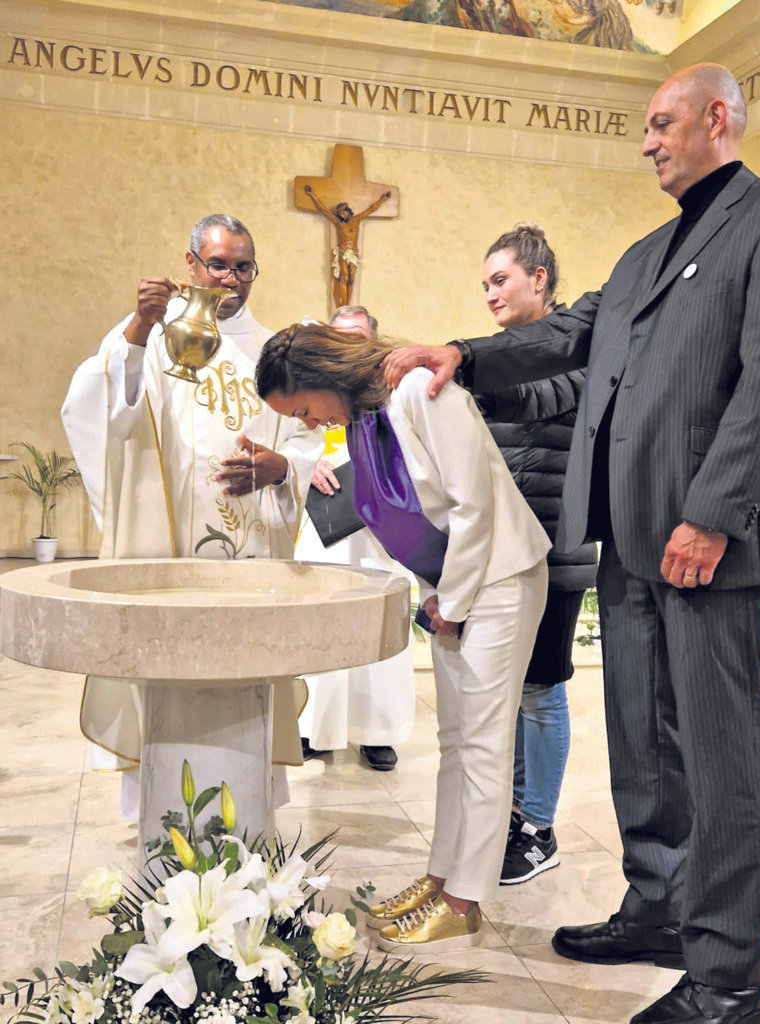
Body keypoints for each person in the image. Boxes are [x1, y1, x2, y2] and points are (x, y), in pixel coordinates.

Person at [383, 63, 760, 1024]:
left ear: (717, 119)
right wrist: (463, 355)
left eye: (660, 123)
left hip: (702, 542)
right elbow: (570, 335)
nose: (645, 141)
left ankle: (726, 981)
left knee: (722, 762)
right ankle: (657, 910)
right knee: (642, 743)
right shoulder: (645, 254)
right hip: (626, 538)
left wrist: (715, 509)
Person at [256, 322, 551, 952]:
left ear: (322, 377)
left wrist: (457, 597)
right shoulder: (364, 417)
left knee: (484, 743)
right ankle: (441, 877)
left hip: (498, 576)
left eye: (304, 409)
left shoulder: (420, 388)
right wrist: (442, 594)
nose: (309, 424)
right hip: (453, 583)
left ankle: (465, 900)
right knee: (456, 742)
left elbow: (476, 505)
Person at [62, 214, 323, 814]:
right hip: (166, 557)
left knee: (246, 679)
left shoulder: (274, 352)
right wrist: (138, 326)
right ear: (191, 265)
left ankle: (249, 809)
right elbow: (97, 408)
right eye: (218, 264)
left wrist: (279, 468)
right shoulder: (155, 336)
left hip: (251, 562)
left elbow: (310, 444)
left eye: (243, 266)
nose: (230, 278)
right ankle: (160, 814)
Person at [478, 225, 597, 883]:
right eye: (486, 285)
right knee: (515, 689)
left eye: (502, 280)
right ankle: (515, 816)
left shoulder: (578, 350)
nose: (491, 294)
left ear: (539, 280)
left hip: (555, 545)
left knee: (543, 687)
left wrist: (464, 373)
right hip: (504, 551)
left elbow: (539, 399)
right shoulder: (496, 354)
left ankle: (539, 829)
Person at [295, 305, 414, 772]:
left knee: (376, 626)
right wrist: (308, 464)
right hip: (323, 527)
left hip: (379, 531)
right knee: (318, 624)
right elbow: (288, 441)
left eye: (357, 338)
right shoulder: (309, 389)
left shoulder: (393, 392)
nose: (348, 347)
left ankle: (376, 732)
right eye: (339, 337)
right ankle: (312, 727)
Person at [303, 185, 392, 307]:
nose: (341, 216)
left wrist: (383, 199)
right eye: (339, 214)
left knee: (351, 279)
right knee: (344, 277)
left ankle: (347, 305)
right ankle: (343, 305)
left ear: (348, 211)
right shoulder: (339, 223)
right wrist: (312, 194)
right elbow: (323, 209)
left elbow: (372, 209)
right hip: (343, 252)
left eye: (343, 213)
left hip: (354, 253)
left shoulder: (357, 219)